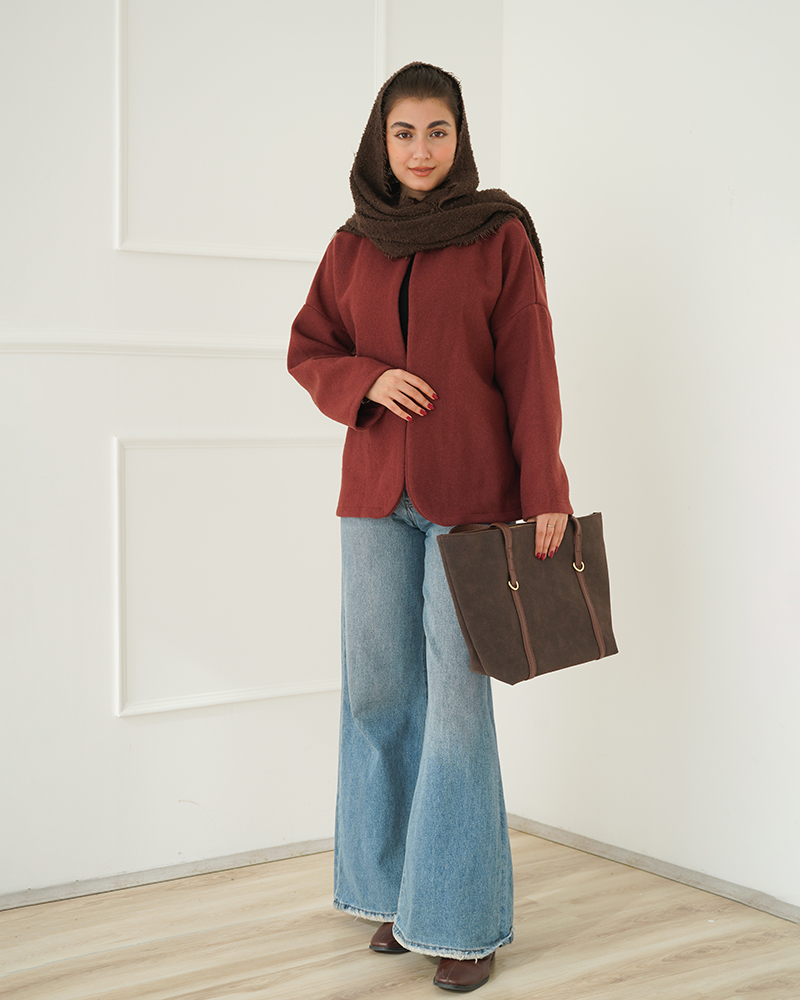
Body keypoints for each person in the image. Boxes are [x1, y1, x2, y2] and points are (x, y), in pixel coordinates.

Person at [288, 62, 571, 993]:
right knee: (377, 693)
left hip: (470, 500)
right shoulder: (352, 243)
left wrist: (546, 487)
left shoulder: (498, 235)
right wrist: (365, 378)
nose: (420, 150)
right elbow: (308, 346)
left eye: (437, 131)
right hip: (373, 495)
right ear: (383, 140)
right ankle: (395, 894)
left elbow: (531, 365)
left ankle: (460, 917)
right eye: (404, 133)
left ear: (460, 137)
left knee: (455, 705)